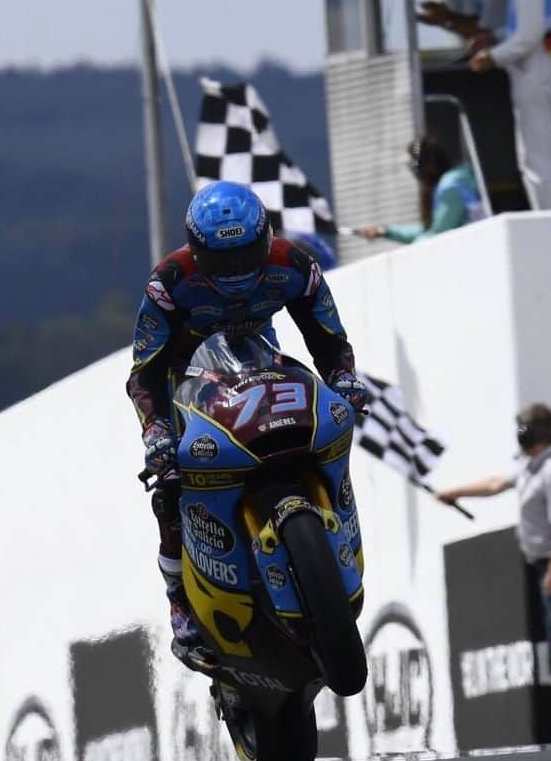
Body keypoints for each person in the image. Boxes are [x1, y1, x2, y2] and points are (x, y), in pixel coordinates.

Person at [127, 181, 369, 671]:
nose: (237, 272)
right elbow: (144, 371)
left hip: (262, 361)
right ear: (197, 251)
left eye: (246, 255)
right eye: (222, 261)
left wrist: (343, 379)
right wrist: (155, 432)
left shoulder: (295, 266)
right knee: (169, 484)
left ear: (266, 238)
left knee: (319, 426)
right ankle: (180, 602)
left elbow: (327, 336)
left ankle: (331, 542)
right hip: (187, 378)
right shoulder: (169, 281)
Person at [435, 403, 551, 740]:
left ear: (529, 433)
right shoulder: (531, 468)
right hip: (550, 563)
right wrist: (456, 493)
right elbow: (495, 483)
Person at [468, 0, 551, 212]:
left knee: (539, 160)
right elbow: (527, 29)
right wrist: (497, 38)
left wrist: (493, 56)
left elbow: (529, 35)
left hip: (534, 71)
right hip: (542, 68)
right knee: (541, 156)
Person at [356, 137, 485, 245]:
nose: (412, 173)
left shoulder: (451, 187)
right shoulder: (450, 183)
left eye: (412, 166)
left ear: (426, 165)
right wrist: (384, 231)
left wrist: (411, 251)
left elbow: (438, 233)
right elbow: (428, 229)